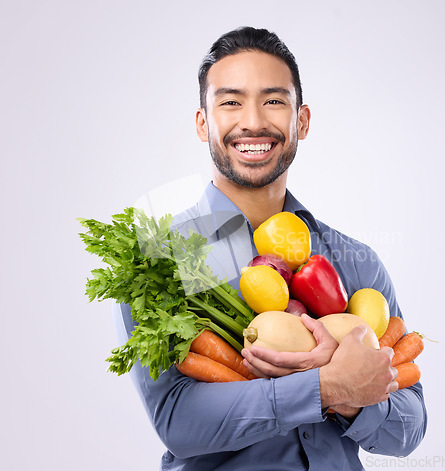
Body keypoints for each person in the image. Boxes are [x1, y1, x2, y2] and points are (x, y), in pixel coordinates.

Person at [114, 26, 427, 470]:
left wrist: (357, 400)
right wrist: (326, 385)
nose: (254, 121)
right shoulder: (160, 259)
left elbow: (410, 427)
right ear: (203, 124)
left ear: (301, 121)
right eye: (230, 101)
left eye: (274, 100)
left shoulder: (357, 263)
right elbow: (179, 423)